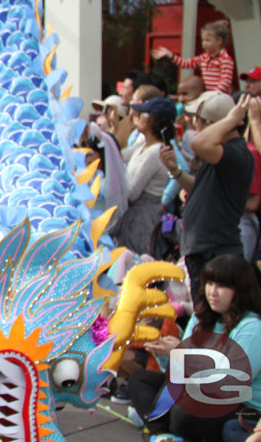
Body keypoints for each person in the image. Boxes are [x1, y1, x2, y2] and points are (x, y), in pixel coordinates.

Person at [128, 254, 261, 441]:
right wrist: (164, 353)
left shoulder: (252, 327)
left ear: (240, 290)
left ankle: (161, 428)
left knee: (183, 414)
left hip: (239, 404)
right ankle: (163, 435)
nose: (212, 292)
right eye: (209, 283)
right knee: (140, 380)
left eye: (221, 286)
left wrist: (183, 354)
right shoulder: (202, 316)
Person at [172, 92, 255, 298]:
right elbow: (200, 188)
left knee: (213, 321)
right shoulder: (221, 151)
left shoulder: (236, 153)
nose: (193, 126)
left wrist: (230, 120)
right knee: (204, 316)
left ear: (208, 123)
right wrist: (176, 171)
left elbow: (198, 144)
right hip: (204, 249)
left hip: (215, 251)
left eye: (196, 122)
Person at [108, 97, 176, 255]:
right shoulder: (143, 145)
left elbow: (132, 193)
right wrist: (114, 130)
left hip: (142, 220)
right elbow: (117, 155)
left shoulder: (155, 152)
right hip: (134, 216)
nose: (136, 117)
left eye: (143, 114)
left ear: (156, 121)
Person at [152, 20, 236, 94]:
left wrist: (214, 94)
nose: (204, 43)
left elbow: (225, 82)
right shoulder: (204, 57)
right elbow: (186, 63)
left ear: (219, 41)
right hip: (208, 95)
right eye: (203, 40)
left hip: (219, 97)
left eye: (208, 40)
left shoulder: (225, 59)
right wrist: (170, 55)